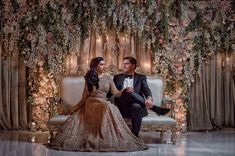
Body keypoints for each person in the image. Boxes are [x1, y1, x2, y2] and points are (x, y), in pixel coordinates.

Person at [46, 57, 148, 152]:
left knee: (110, 107)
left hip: (104, 102)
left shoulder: (108, 77)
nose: (104, 66)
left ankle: (105, 138)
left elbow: (116, 93)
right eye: (102, 64)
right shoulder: (89, 78)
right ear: (95, 66)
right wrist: (72, 110)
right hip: (92, 103)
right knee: (107, 106)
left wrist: (125, 90)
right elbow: (84, 98)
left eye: (104, 64)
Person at [112, 56, 170, 137]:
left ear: (133, 65)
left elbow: (146, 89)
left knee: (136, 106)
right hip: (122, 107)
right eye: (123, 64)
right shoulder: (117, 77)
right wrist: (124, 91)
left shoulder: (141, 77)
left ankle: (134, 136)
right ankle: (154, 108)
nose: (124, 66)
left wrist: (149, 99)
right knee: (127, 92)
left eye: (126, 64)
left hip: (137, 107)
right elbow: (112, 93)